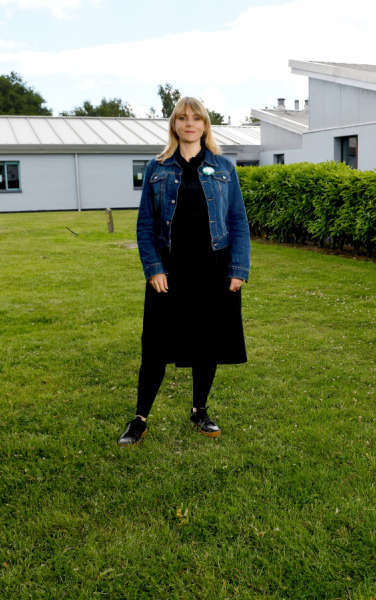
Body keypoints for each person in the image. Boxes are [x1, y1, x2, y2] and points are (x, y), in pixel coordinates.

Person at [120, 97, 251, 446]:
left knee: (206, 343)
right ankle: (139, 418)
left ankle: (199, 411)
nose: (189, 123)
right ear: (174, 125)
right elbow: (145, 224)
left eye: (196, 118)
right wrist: (154, 268)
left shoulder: (224, 167)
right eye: (182, 118)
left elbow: (237, 220)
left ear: (205, 125)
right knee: (156, 345)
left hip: (213, 269)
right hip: (170, 271)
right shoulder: (157, 168)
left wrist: (238, 268)